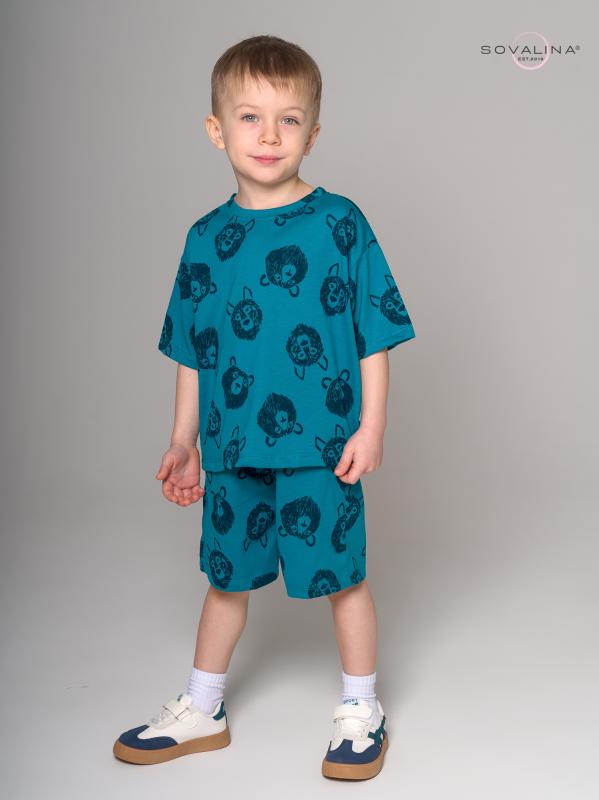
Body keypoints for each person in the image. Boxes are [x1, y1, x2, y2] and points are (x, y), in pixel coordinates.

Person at [113, 34, 415, 781]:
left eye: (289, 120)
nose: (270, 135)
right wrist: (183, 441)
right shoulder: (205, 239)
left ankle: (361, 708)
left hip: (323, 446)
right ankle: (203, 706)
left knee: (343, 579)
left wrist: (372, 425)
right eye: (250, 117)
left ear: (313, 133)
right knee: (225, 580)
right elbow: (193, 352)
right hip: (231, 447)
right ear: (217, 130)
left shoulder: (340, 223)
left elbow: (373, 333)